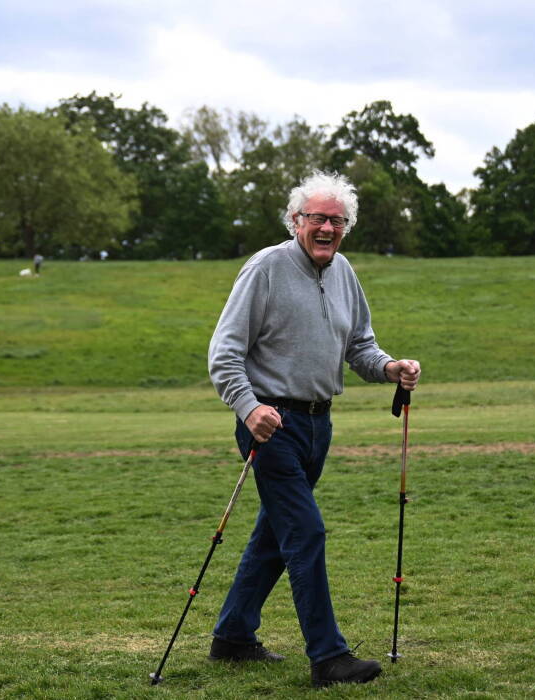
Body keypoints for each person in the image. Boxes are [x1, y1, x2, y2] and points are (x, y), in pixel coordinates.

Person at [207, 170, 421, 688]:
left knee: (274, 536)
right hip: (270, 424)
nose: (327, 228)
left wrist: (390, 367)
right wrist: (248, 408)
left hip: (318, 424)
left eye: (337, 220)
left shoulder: (344, 270)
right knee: (305, 531)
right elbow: (224, 353)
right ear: (295, 221)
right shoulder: (265, 268)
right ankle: (329, 657)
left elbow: (360, 346)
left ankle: (232, 637)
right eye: (317, 218)